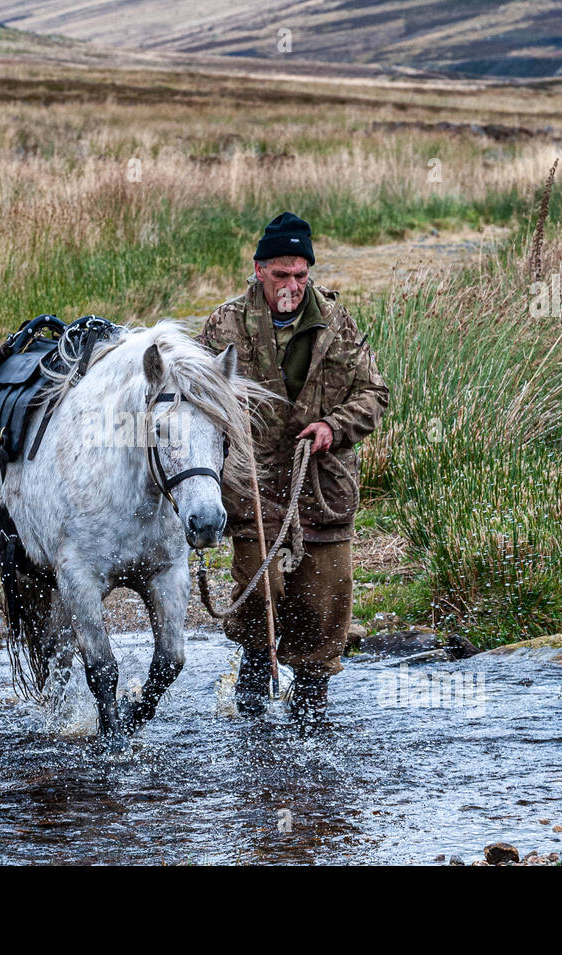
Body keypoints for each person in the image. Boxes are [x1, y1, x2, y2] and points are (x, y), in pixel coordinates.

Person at [196, 212, 389, 722]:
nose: (292, 285)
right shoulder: (225, 324)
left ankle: (310, 712)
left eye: (301, 274)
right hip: (254, 489)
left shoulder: (338, 322)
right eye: (281, 274)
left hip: (322, 490)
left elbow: (375, 393)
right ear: (259, 270)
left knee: (324, 606)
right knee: (263, 589)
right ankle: (254, 689)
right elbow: (194, 399)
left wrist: (335, 426)